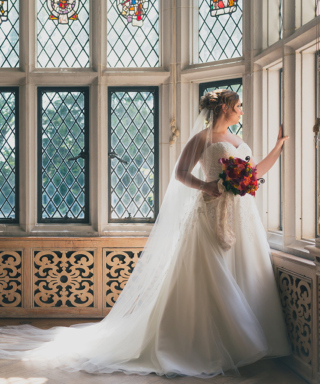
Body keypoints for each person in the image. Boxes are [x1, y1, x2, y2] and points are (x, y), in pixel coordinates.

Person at [0, 90, 291, 379]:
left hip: (242, 216)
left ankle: (246, 343)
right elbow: (180, 173)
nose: (242, 111)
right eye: (239, 106)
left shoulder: (239, 140)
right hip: (209, 214)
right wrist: (206, 187)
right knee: (211, 277)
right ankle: (206, 344)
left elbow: (254, 172)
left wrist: (277, 148)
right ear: (225, 107)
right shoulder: (202, 139)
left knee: (244, 272)